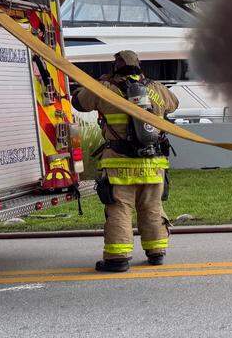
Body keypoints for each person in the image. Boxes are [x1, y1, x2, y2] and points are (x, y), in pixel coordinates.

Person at [73, 50, 179, 273]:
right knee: (152, 207)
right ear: (139, 66)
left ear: (116, 67)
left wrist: (99, 82)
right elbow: (174, 104)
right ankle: (156, 252)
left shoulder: (105, 89)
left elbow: (79, 102)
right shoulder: (156, 88)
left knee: (120, 208)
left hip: (119, 163)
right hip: (153, 163)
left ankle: (118, 258)